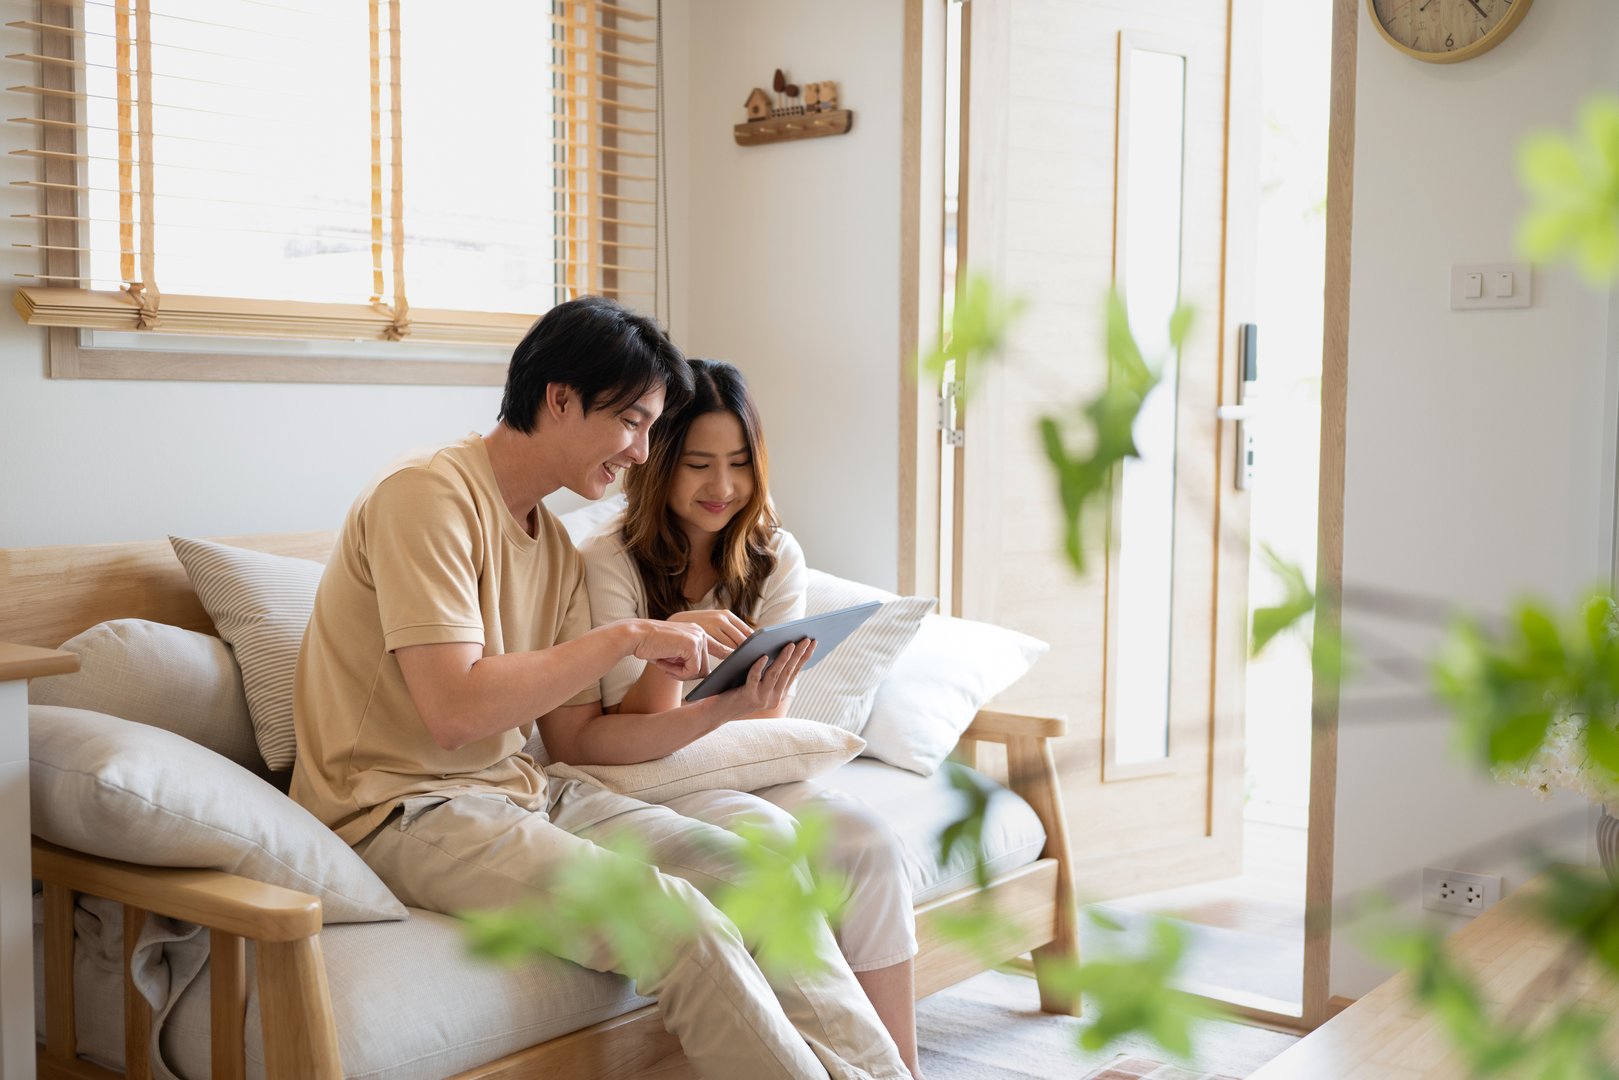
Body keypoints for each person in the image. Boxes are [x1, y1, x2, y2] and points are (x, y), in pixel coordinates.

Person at [288, 297, 909, 1080]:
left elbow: (574, 739)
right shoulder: (427, 495)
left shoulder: (548, 543)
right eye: (632, 423)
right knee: (678, 923)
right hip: (401, 806)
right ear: (558, 399)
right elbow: (453, 711)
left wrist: (718, 700)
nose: (643, 452)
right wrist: (630, 636)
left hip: (523, 788)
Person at [576, 359, 925, 1080]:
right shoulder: (606, 559)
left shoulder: (771, 554)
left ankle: (903, 1070)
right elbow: (613, 733)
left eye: (738, 463)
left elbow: (768, 710)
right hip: (642, 770)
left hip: (739, 752)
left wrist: (743, 697)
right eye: (698, 464)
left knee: (866, 841)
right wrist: (668, 648)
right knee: (765, 846)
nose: (722, 487)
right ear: (657, 463)